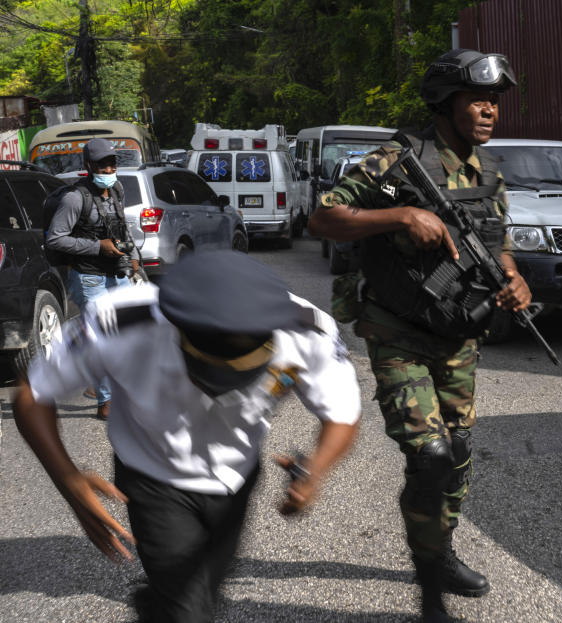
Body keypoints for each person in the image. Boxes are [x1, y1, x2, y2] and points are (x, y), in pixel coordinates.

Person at [13, 250, 361, 623]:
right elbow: (33, 394)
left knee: (204, 589)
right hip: (153, 477)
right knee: (191, 613)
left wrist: (314, 471)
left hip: (237, 477)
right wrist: (67, 479)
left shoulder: (307, 331)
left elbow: (343, 412)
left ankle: (157, 605)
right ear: (178, 329)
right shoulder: (121, 322)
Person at [308, 48, 532, 622]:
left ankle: (440, 546)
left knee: (456, 453)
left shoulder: (488, 171)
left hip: (459, 333)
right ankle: (430, 590)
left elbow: (498, 243)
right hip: (397, 329)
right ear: (445, 101)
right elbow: (322, 218)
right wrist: (400, 216)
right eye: (477, 99)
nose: (488, 111)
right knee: (430, 455)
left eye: (495, 102)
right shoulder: (396, 160)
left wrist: (514, 279)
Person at [45, 137, 139, 420]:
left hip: (117, 275)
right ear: (88, 165)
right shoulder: (75, 198)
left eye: (112, 164)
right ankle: (106, 401)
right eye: (103, 165)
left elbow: (122, 228)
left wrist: (133, 255)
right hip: (89, 278)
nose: (109, 170)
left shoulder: (117, 190)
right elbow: (55, 239)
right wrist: (98, 246)